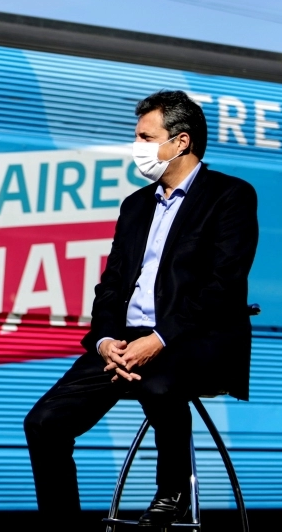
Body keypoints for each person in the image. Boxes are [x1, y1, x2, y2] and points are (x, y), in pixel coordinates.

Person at [24, 90, 259, 527]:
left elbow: (222, 287)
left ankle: (173, 493)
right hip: (127, 340)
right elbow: (111, 284)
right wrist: (104, 340)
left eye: (145, 137)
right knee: (43, 422)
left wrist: (159, 339)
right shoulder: (135, 205)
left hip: (195, 338)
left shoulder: (230, 196)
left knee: (158, 385)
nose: (137, 147)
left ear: (181, 142)